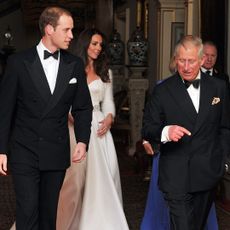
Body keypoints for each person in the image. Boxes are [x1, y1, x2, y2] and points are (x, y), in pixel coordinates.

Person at [0, 6, 92, 230]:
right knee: (27, 210)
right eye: (67, 30)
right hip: (24, 149)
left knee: (48, 215)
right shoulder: (18, 62)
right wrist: (1, 149)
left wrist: (82, 140)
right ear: (49, 29)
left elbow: (83, 107)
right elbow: (5, 109)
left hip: (55, 150)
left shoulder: (74, 65)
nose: (71, 35)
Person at [142, 35, 230, 230]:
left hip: (207, 172)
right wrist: (166, 131)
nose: (186, 66)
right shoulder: (162, 90)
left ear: (201, 60)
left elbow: (224, 127)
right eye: (182, 60)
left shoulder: (219, 87)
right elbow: (147, 127)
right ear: (175, 60)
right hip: (176, 174)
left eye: (191, 61)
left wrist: (222, 160)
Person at [56, 28, 129, 230]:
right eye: (94, 43)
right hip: (75, 128)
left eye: (100, 45)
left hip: (99, 129)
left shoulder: (106, 71)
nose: (98, 48)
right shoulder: (70, 67)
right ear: (85, 43)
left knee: (104, 177)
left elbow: (109, 102)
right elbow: (62, 100)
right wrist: (72, 116)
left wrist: (109, 118)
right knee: (74, 181)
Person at [140, 141, 219, 230]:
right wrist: (146, 139)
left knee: (200, 202)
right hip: (166, 149)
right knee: (161, 200)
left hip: (197, 151)